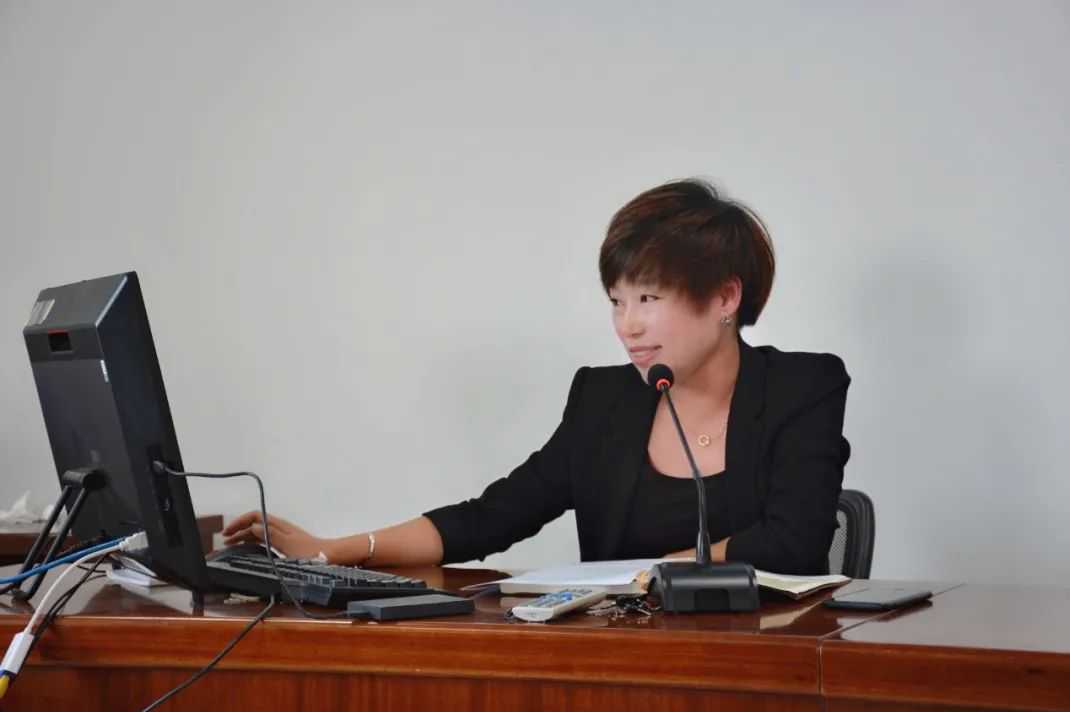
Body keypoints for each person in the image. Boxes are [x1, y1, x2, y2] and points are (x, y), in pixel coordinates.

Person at [223, 179, 851, 575]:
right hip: (624, 674)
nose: (628, 325)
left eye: (649, 298)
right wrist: (330, 550)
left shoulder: (803, 389)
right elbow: (489, 518)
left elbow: (794, 542)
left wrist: (656, 574)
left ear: (724, 297)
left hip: (766, 671)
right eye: (616, 301)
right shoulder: (603, 401)